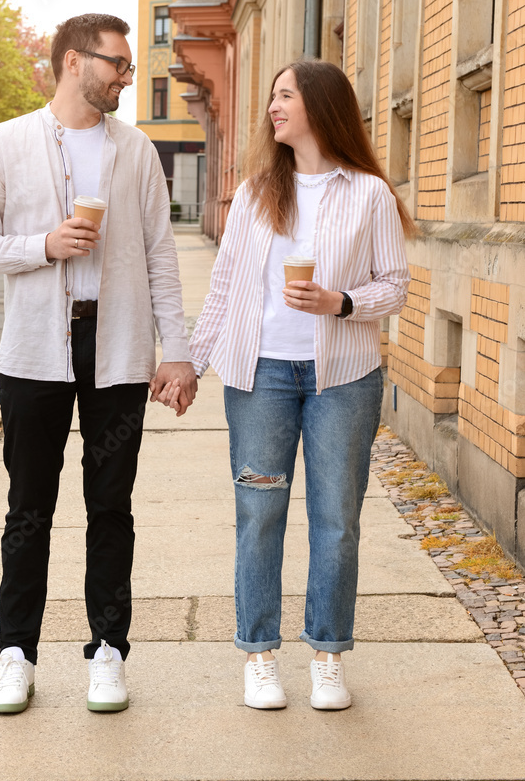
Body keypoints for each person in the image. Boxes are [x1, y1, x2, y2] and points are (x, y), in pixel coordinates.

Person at [0, 13, 197, 716]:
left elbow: (159, 256)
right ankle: (15, 654)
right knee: (27, 508)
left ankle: (107, 653)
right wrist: (42, 245)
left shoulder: (135, 151)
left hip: (116, 351)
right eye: (116, 63)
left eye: (126, 66)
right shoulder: (8, 142)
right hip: (34, 353)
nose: (126, 75)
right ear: (71, 62)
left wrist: (175, 352)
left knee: (110, 507)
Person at [185, 59, 413, 712]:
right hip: (260, 379)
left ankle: (326, 655)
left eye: (285, 95)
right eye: (272, 95)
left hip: (342, 378)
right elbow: (226, 288)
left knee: (337, 522)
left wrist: (338, 302)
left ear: (320, 105)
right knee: (259, 516)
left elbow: (393, 286)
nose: (273, 106)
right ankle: (258, 656)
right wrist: (192, 364)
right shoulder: (257, 193)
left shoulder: (368, 193)